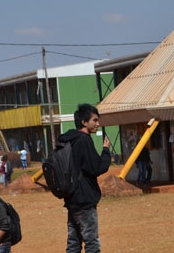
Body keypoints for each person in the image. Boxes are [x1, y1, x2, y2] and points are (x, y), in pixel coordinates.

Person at [58, 103, 112, 253]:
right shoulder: (84, 140)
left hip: (71, 198)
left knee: (73, 243)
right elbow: (97, 168)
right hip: (85, 199)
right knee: (91, 243)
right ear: (84, 122)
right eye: (94, 120)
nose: (98, 124)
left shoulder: (68, 140)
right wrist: (106, 151)